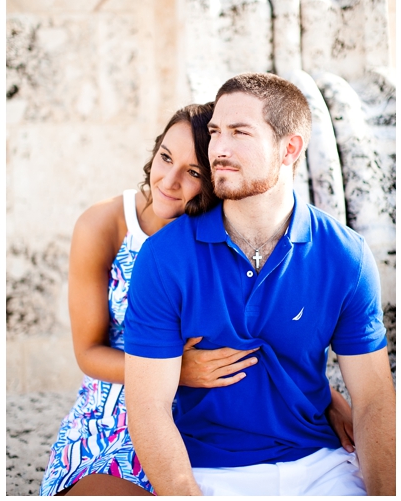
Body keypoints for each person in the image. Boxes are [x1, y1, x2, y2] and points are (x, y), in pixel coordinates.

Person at [40, 104, 354, 496]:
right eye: (165, 157)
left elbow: (266, 332)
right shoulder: (103, 225)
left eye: (192, 172)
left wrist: (325, 399)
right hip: (117, 405)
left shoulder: (226, 232)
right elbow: (87, 351)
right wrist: (175, 371)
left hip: (205, 419)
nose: (169, 181)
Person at [124, 72, 395, 496]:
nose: (220, 149)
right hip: (210, 471)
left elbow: (375, 400)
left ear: (289, 149)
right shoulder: (164, 258)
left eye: (240, 132)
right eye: (215, 133)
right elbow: (147, 406)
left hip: (322, 465)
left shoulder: (345, 255)